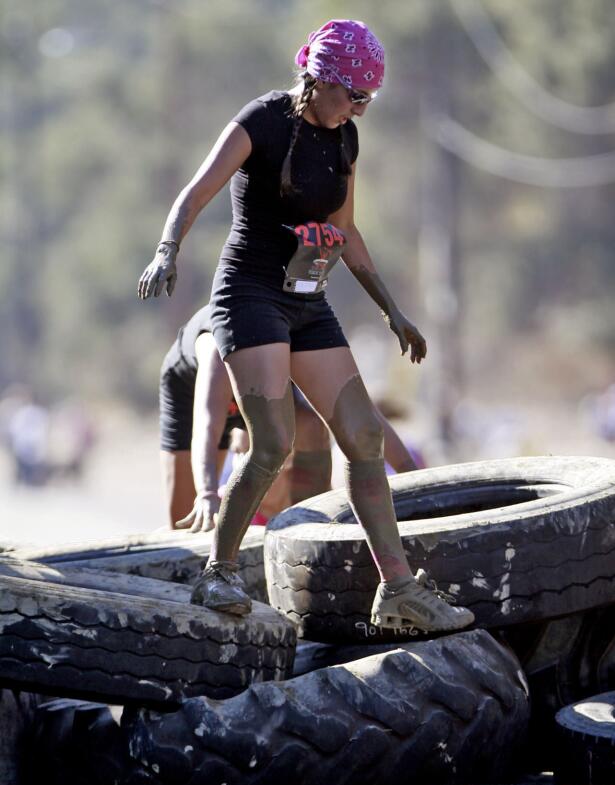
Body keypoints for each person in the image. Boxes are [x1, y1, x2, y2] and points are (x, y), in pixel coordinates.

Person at [139, 19, 474, 634]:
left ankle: (397, 587)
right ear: (318, 79)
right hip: (249, 293)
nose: (361, 109)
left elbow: (347, 234)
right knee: (271, 442)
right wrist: (167, 248)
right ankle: (218, 573)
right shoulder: (265, 119)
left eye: (369, 99)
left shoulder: (345, 138)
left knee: (364, 437)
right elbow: (198, 189)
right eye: (353, 95)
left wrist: (391, 310)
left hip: (306, 298)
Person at [160, 303, 421, 532]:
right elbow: (206, 425)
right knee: (188, 522)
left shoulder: (295, 337)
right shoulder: (218, 347)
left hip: (264, 400)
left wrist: (414, 478)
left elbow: (363, 413)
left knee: (310, 427)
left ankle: (311, 526)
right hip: (195, 398)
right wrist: (206, 494)